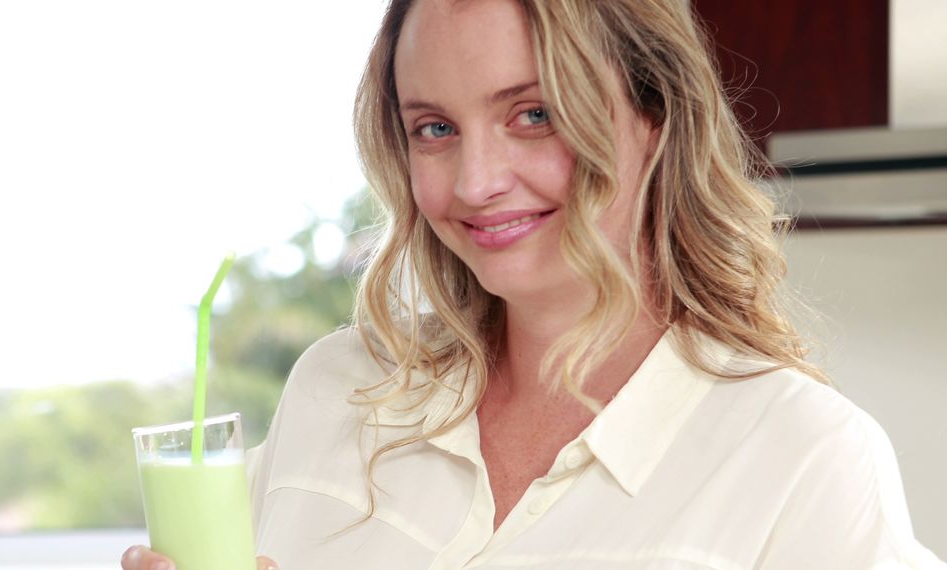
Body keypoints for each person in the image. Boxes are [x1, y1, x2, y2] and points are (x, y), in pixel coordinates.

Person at [124, 0, 946, 568]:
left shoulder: (802, 460)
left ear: (655, 114)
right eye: (435, 128)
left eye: (534, 114)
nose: (476, 181)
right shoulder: (338, 392)